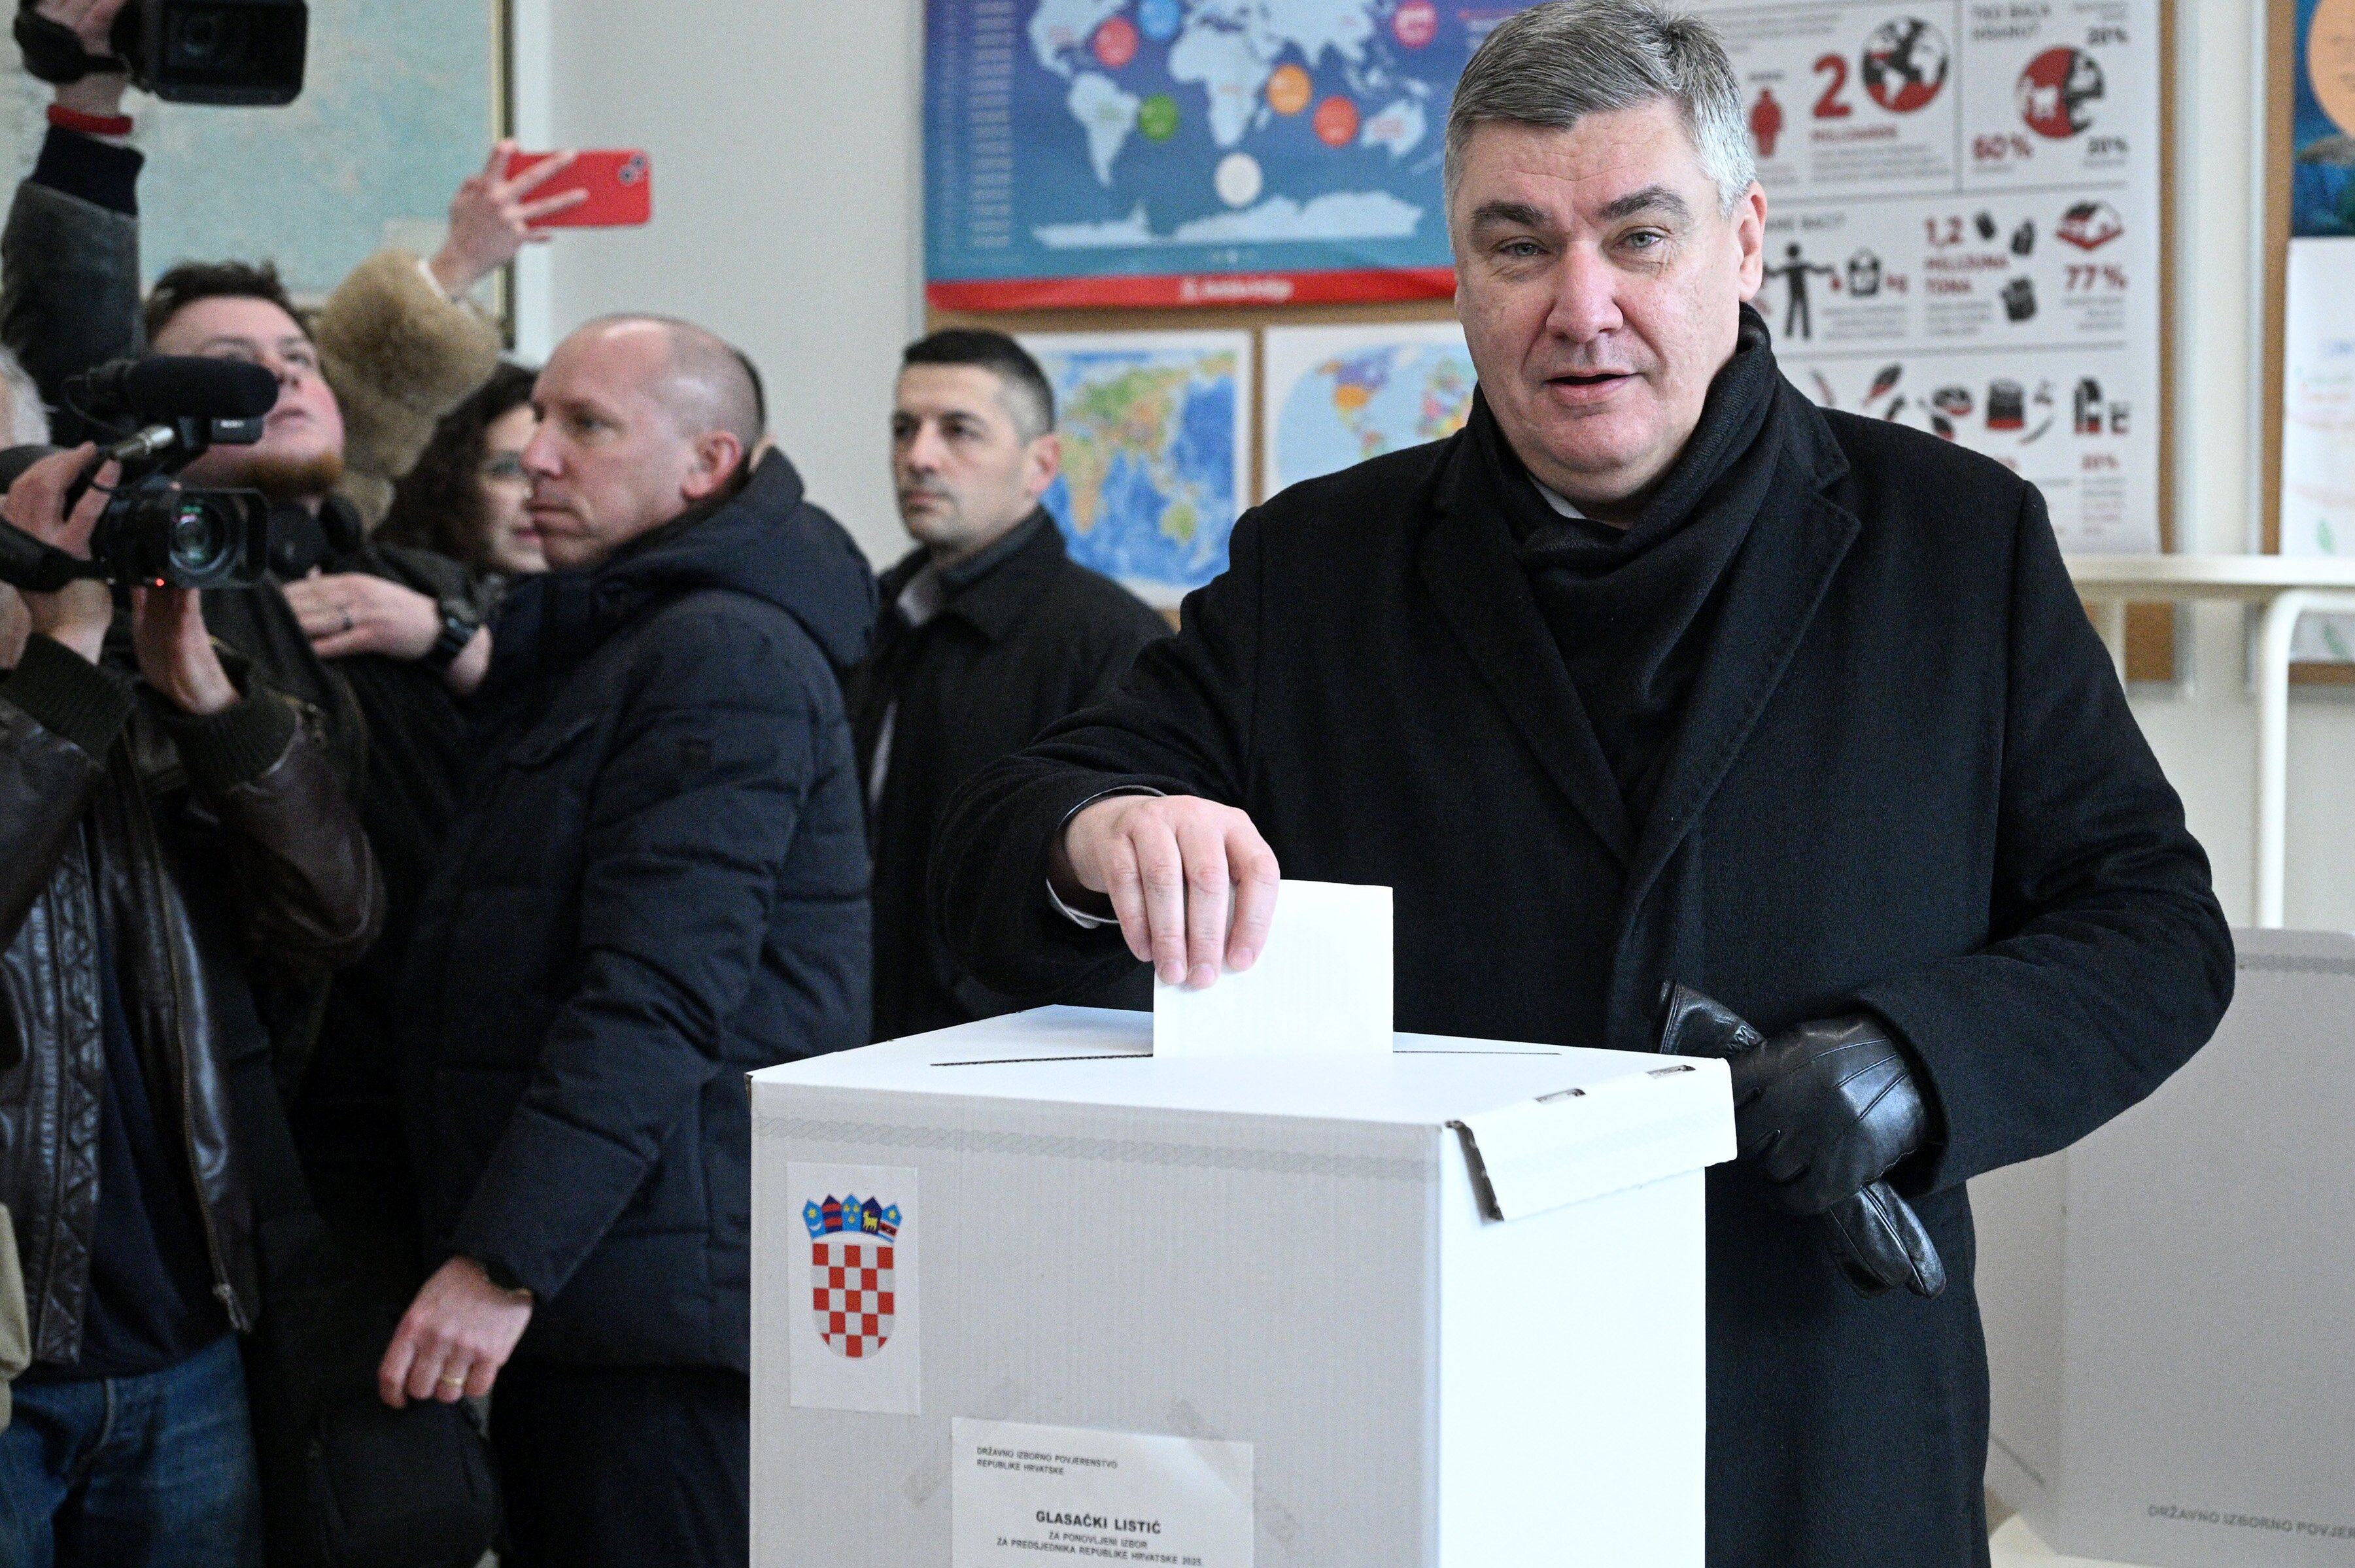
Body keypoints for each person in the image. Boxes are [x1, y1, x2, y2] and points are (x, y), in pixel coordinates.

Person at [928, 6, 2232, 1567]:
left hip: (1810, 1419)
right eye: (1518, 244)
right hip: (1423, 1406)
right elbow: (1002, 845)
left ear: (1742, 245)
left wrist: (1918, 1059)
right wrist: (1102, 833)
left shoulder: (1954, 542)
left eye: (1639, 234)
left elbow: (2152, 927)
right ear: (1459, 274)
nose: (1581, 305)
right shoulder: (1320, 565)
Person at [387, 317, 874, 1568]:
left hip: (649, 1316)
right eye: (536, 419)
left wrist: (502, 1258)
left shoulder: (722, 651)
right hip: (610, 1285)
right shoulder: (621, 632)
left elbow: (656, 994)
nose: (534, 457)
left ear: (706, 463)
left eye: (586, 427)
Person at [0, 447, 382, 1565]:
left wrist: (205, 693)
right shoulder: (58, 709)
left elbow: (337, 921)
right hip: (13, 1370)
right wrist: (62, 652)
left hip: (182, 1346)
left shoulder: (137, 716)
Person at [846, 329, 1166, 1040]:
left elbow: (1120, 920)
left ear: (1040, 464)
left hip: (1006, 1061)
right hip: (855, 1040)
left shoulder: (1114, 641)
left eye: (959, 431)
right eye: (905, 429)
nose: (918, 457)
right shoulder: (871, 619)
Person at [378, 360, 549, 583]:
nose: (538, 497)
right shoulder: (384, 589)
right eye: (509, 469)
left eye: (553, 472)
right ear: (448, 480)